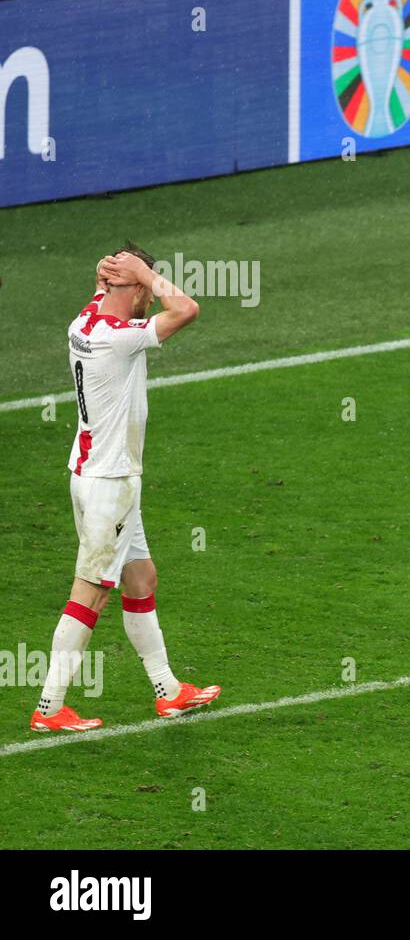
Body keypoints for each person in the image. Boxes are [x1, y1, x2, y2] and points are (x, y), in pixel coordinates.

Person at [31, 245, 220, 732]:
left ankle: (168, 690)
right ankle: (50, 708)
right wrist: (145, 275)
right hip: (110, 482)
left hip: (89, 472)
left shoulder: (85, 324)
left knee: (142, 579)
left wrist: (113, 278)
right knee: (90, 592)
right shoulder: (122, 338)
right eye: (146, 288)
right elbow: (187, 310)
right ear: (134, 286)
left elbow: (106, 298)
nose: (151, 299)